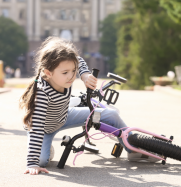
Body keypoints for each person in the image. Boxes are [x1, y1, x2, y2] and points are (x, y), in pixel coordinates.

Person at [19, 37, 158, 175]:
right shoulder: (42, 93)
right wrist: (32, 163)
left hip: (64, 116)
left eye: (73, 71)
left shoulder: (64, 72)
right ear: (48, 73)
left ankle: (133, 149)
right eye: (65, 73)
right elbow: (36, 129)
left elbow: (78, 60)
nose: (71, 76)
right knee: (41, 161)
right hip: (43, 129)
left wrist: (85, 75)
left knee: (111, 115)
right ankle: (47, 150)